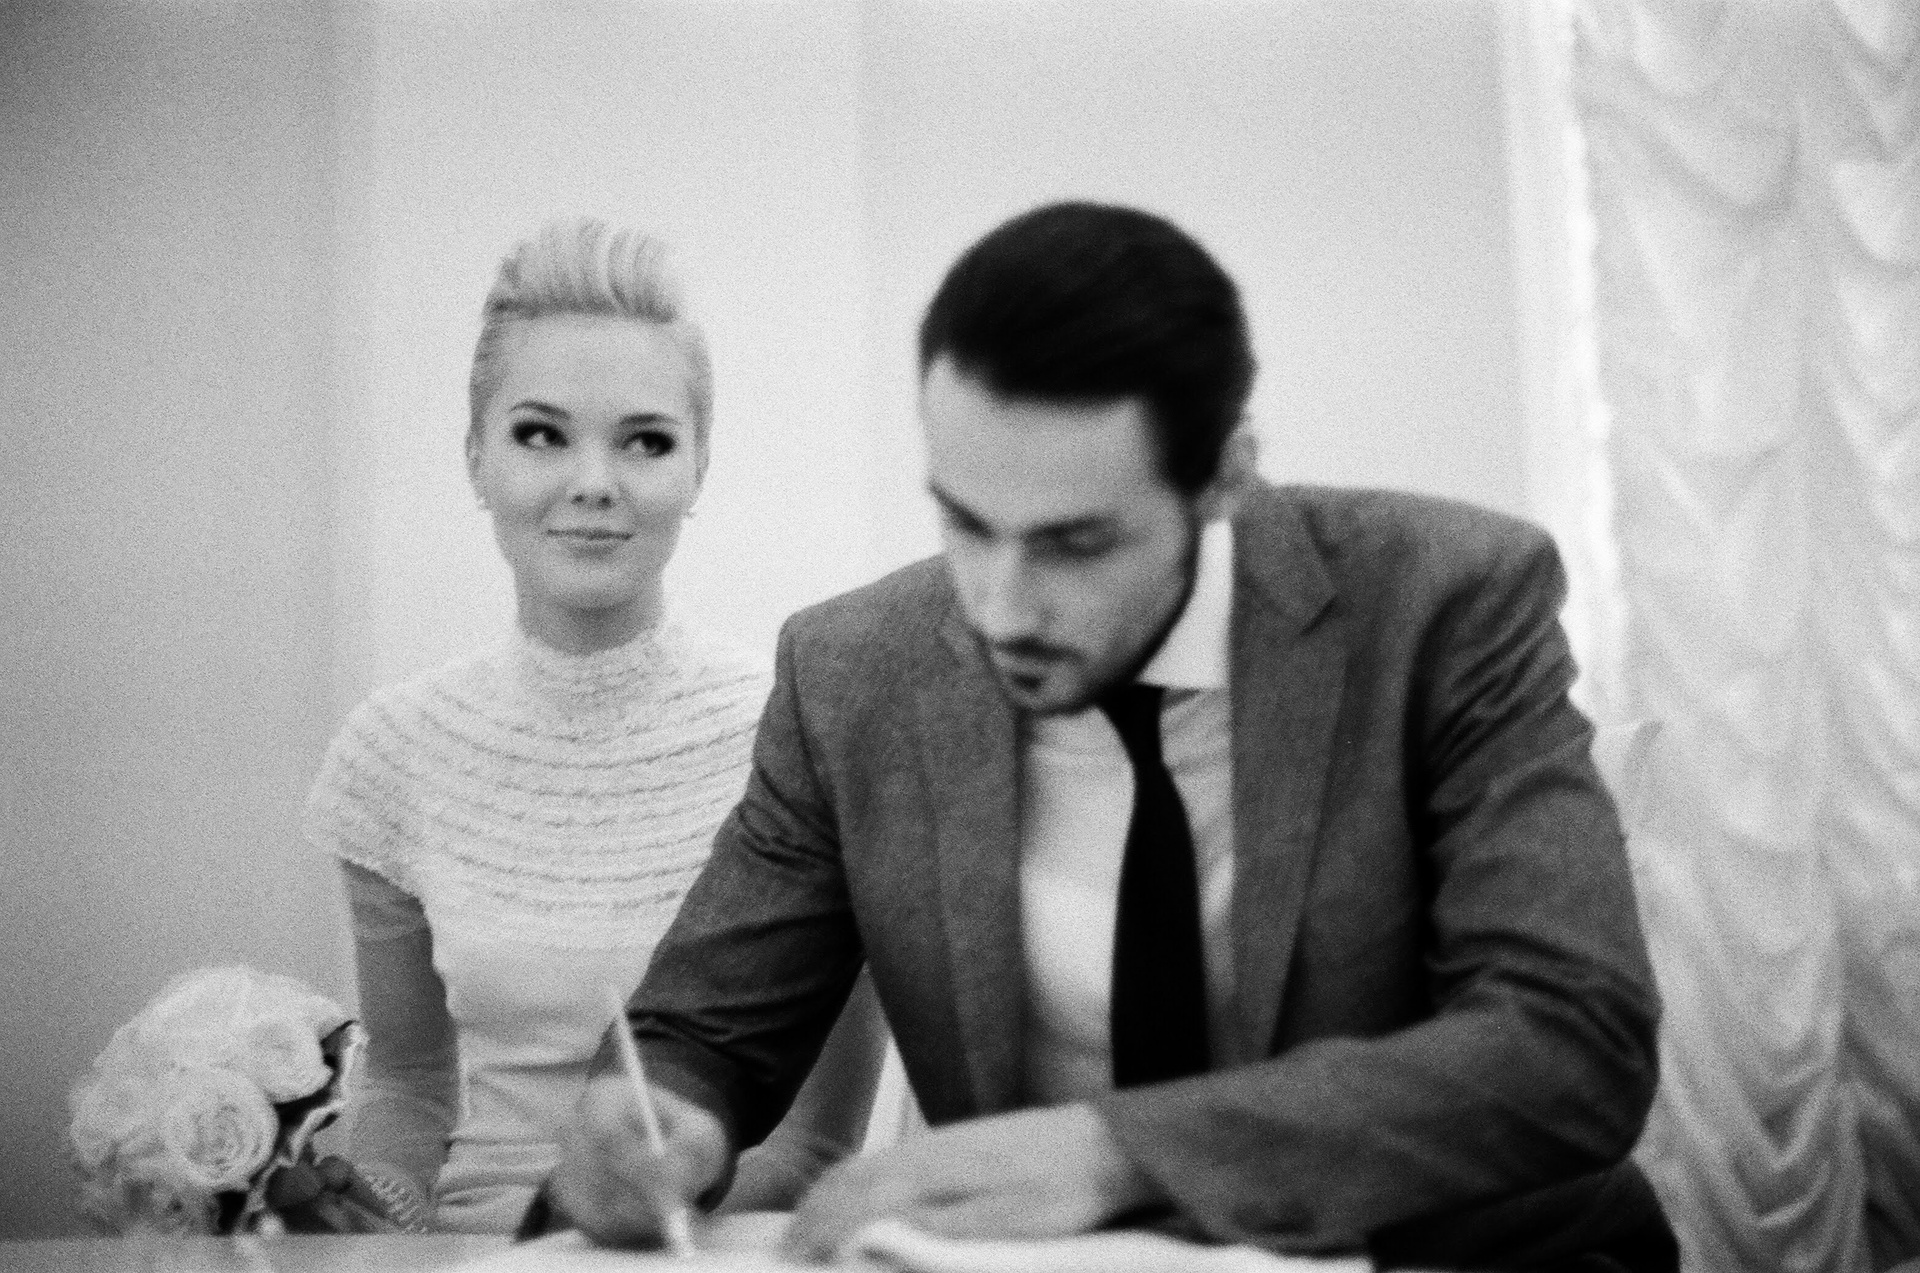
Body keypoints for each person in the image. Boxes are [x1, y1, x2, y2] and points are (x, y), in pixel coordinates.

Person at [548, 202, 1676, 1269]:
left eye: (1076, 544)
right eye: (966, 523)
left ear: (1225, 474)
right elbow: (703, 1035)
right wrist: (661, 1119)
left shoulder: (1443, 601)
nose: (1000, 605)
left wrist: (1117, 1152)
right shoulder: (855, 671)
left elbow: (1570, 1040)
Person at [305, 217, 883, 1234]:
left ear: (699, 468)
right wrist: (381, 1208)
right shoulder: (390, 752)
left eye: (645, 441)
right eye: (542, 433)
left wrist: (592, 1221)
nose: (593, 482)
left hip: (706, 1246)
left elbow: (814, 1146)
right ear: (475, 457)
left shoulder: (804, 736)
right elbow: (408, 1081)